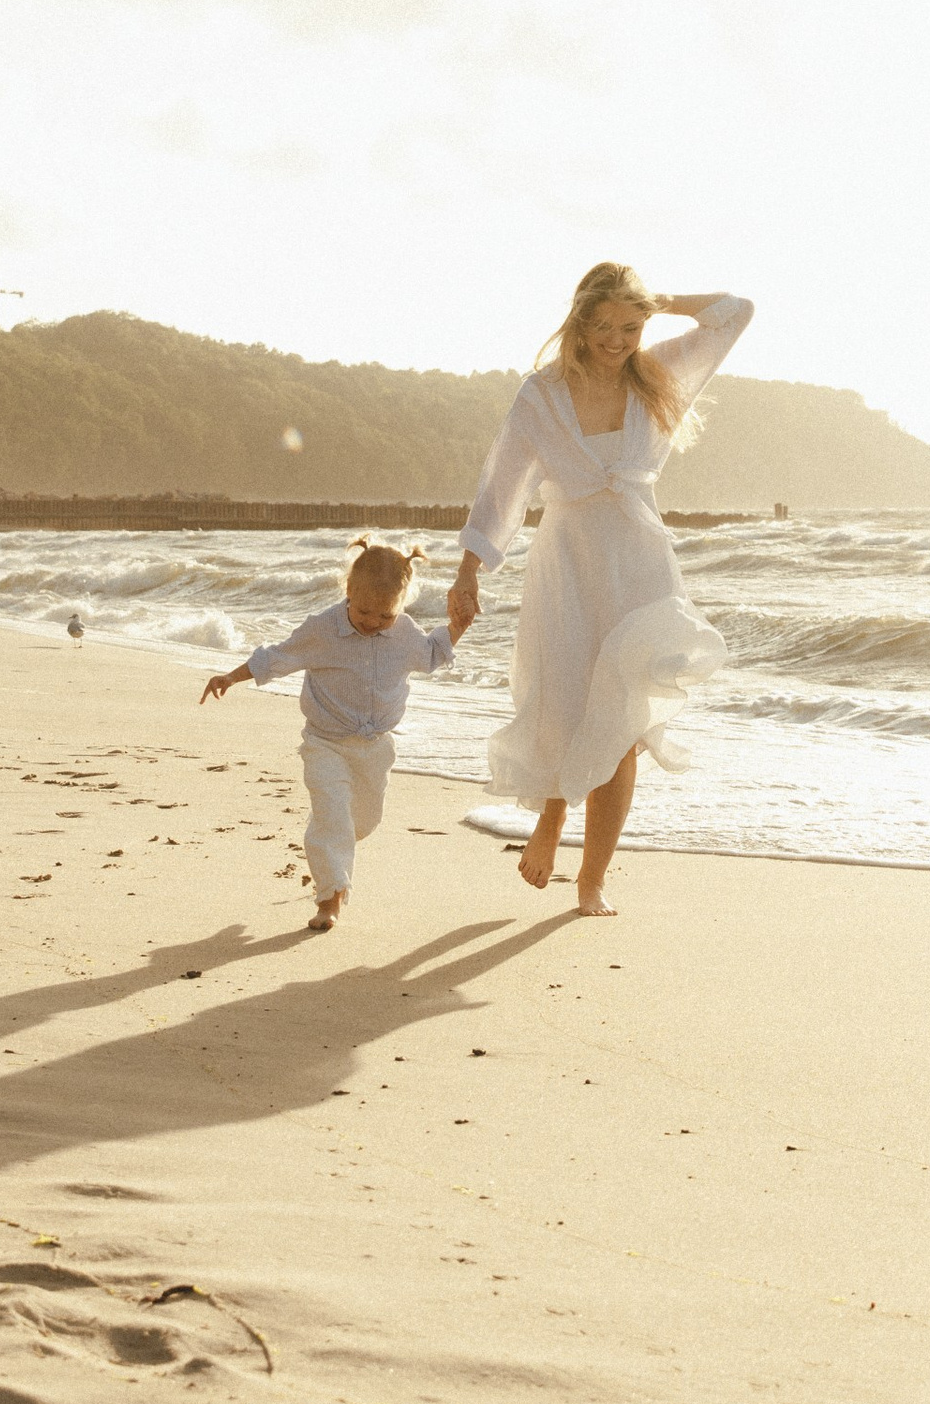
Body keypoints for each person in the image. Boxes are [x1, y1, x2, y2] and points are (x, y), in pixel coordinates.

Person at [449, 268, 752, 918]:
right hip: (568, 564)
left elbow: (735, 312)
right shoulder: (543, 394)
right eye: (604, 325)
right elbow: (503, 485)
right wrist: (469, 570)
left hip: (639, 566)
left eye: (631, 327)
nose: (617, 340)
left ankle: (592, 880)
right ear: (580, 321)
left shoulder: (658, 374)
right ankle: (552, 821)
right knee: (564, 704)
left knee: (624, 723)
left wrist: (662, 304)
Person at [200, 539, 470, 930]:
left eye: (385, 615)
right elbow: (278, 657)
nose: (373, 622)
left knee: (363, 821)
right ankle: (330, 898)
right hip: (325, 743)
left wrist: (456, 628)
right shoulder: (323, 629)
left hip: (375, 749)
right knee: (334, 820)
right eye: (363, 611)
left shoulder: (406, 632)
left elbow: (431, 656)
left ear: (402, 605)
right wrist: (231, 676)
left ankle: (329, 837)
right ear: (348, 592)